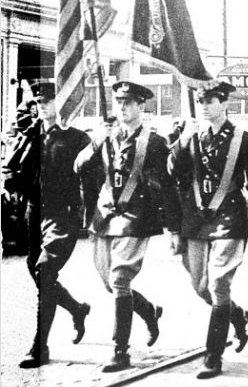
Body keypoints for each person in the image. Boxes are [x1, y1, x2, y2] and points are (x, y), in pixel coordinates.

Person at [74, 81, 182, 372]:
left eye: (129, 102)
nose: (122, 107)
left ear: (141, 106)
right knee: (108, 280)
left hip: (136, 216)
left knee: (120, 279)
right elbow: (80, 166)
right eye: (119, 102)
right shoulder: (105, 136)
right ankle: (149, 311)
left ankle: (120, 350)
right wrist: (97, 141)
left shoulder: (155, 143)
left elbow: (168, 187)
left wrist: (173, 227)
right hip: (105, 215)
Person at [168, 81, 248, 380]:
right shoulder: (192, 135)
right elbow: (174, 171)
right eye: (201, 101)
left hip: (230, 217)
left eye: (210, 100)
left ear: (224, 103)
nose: (204, 106)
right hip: (197, 219)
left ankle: (213, 355)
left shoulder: (243, 139)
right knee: (200, 287)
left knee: (219, 283)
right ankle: (236, 314)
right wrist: (181, 140)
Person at [3, 82, 91, 368]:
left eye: (48, 101)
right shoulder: (31, 135)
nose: (42, 106)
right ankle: (77, 309)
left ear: (61, 103)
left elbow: (90, 174)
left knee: (45, 270)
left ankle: (39, 348)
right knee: (38, 272)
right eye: (39, 102)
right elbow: (14, 167)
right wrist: (10, 183)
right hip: (34, 211)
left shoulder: (76, 138)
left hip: (61, 214)